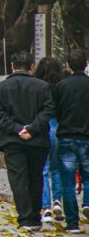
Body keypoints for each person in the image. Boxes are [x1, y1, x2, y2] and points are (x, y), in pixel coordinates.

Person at [0, 50, 55, 232]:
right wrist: (32, 128)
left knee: (18, 179)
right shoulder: (43, 87)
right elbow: (48, 110)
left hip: (13, 140)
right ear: (31, 67)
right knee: (36, 177)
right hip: (37, 140)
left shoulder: (0, 88)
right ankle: (35, 216)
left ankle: (25, 218)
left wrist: (18, 129)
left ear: (12, 66)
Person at [54, 49, 89, 234]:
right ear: (86, 64)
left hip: (66, 137)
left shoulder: (61, 86)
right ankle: (88, 204)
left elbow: (56, 111)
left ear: (68, 65)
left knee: (67, 182)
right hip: (87, 137)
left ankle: (73, 223)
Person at [34, 56, 66, 226]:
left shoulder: (37, 88)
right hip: (58, 129)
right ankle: (57, 202)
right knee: (57, 168)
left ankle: (45, 208)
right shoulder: (62, 88)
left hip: (42, 130)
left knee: (44, 170)